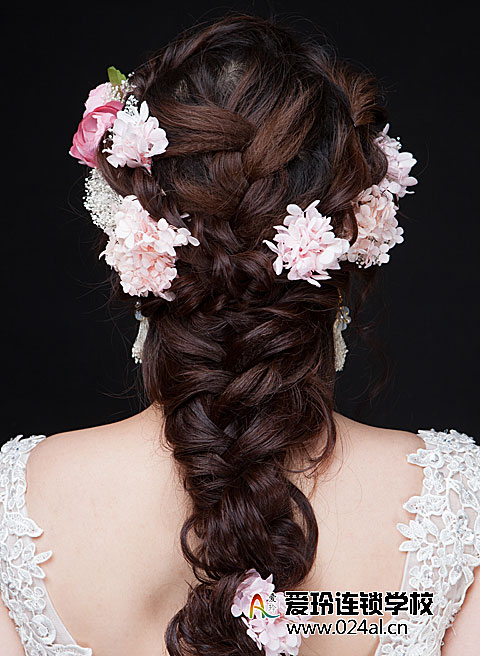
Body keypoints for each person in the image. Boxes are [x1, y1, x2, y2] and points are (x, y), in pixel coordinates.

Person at [0, 14, 478, 656]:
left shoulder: (22, 502)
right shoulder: (449, 503)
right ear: (346, 247)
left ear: (136, 248)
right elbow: (354, 616)